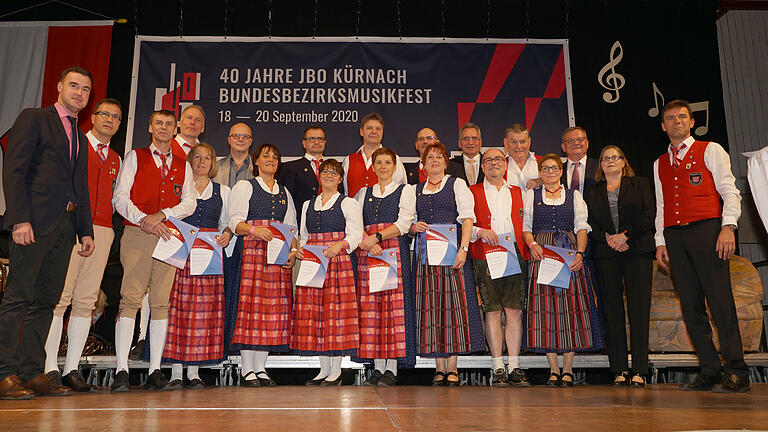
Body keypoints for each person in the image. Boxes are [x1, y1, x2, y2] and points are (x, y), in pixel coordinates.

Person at [0, 66, 96, 400]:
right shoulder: (34, 118)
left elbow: (79, 187)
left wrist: (84, 230)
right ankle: (4, 373)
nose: (79, 93)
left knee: (46, 302)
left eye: (85, 89)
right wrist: (19, 219)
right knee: (18, 298)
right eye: (74, 85)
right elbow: (14, 170)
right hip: (34, 223)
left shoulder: (81, 137)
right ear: (58, 86)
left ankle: (30, 372)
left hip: (65, 228)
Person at [654, 99, 749, 393]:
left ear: (692, 122)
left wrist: (728, 226)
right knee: (691, 305)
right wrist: (660, 241)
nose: (677, 122)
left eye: (682, 117)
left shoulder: (711, 150)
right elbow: (661, 205)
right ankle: (709, 369)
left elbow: (730, 191)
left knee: (720, 302)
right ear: (663, 126)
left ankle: (737, 369)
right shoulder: (659, 162)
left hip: (708, 231)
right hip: (674, 235)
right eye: (670, 118)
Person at [111, 109, 196, 392]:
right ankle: (121, 369)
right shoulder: (135, 156)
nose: (163, 127)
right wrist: (143, 219)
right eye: (158, 122)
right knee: (131, 298)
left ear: (175, 130)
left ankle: (155, 370)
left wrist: (162, 214)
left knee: (161, 302)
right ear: (149, 127)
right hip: (137, 233)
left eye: (169, 124)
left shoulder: (184, 164)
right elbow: (120, 198)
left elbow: (189, 204)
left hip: (168, 235)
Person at [43, 98, 123, 393]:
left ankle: (71, 367)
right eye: (105, 114)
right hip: (74, 225)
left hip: (103, 229)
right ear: (93, 117)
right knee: (59, 296)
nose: (110, 120)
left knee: (86, 300)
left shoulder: (116, 159)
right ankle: (50, 365)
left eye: (116, 117)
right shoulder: (76, 145)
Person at [522, 154, 602, 388]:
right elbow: (526, 227)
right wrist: (533, 244)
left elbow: (581, 227)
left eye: (554, 168)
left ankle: (567, 369)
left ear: (560, 171)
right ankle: (553, 370)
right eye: (545, 168)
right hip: (542, 252)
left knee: (570, 309)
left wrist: (580, 253)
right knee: (545, 309)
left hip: (568, 251)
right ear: (540, 171)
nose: (550, 172)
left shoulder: (574, 195)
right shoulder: (532, 195)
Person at [410, 141, 485, 386]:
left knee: (453, 307)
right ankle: (438, 367)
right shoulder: (415, 190)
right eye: (429, 157)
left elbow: (467, 219)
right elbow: (408, 224)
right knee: (431, 308)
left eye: (439, 157)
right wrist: (414, 227)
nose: (434, 161)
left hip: (453, 253)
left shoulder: (457, 184)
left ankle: (452, 366)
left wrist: (463, 249)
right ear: (423, 164)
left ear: (446, 162)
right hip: (426, 256)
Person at [226, 143, 297, 387]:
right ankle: (247, 369)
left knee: (270, 311)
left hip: (277, 256)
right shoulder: (246, 186)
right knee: (250, 309)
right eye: (266, 156)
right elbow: (235, 222)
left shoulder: (284, 192)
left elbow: (292, 228)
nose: (271, 160)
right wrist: (256, 230)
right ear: (256, 161)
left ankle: (261, 368)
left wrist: (294, 251)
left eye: (275, 157)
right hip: (252, 252)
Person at [162, 143, 233, 389]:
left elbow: (227, 223)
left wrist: (227, 234)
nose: (202, 162)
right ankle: (176, 372)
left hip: (209, 256)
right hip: (181, 254)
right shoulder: (181, 188)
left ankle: (194, 372)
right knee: (178, 310)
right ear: (189, 161)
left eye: (207, 157)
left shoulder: (222, 190)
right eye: (197, 157)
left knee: (203, 313)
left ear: (213, 163)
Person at [584, 145, 655, 387]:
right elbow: (588, 222)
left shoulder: (640, 184)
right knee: (611, 311)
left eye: (616, 157)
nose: (611, 161)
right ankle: (619, 369)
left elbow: (649, 214)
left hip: (637, 250)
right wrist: (609, 238)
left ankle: (639, 369)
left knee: (638, 308)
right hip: (606, 253)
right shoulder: (592, 191)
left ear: (624, 162)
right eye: (605, 158)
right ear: (600, 165)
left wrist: (625, 236)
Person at [293, 159, 363, 386]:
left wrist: (340, 245)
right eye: (325, 172)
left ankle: (336, 370)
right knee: (317, 315)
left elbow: (356, 235)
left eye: (334, 173)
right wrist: (301, 249)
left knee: (335, 315)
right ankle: (323, 370)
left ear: (341, 178)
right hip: (314, 262)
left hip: (336, 261)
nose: (329, 175)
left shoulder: (348, 202)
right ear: (319, 176)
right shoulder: (307, 204)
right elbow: (304, 235)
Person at [354, 147, 417, 386]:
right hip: (369, 253)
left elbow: (403, 223)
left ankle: (392, 368)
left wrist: (376, 238)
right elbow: (355, 223)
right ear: (373, 166)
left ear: (394, 166)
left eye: (387, 163)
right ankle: (377, 368)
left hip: (392, 251)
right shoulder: (363, 193)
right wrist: (367, 242)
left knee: (393, 310)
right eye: (378, 162)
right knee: (372, 311)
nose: (382, 166)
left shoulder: (405, 191)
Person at [469, 148, 530, 387]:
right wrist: (480, 231)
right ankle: (497, 367)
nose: (493, 164)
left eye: (497, 160)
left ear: (505, 165)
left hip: (514, 254)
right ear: (482, 167)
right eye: (488, 161)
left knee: (514, 310)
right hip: (485, 256)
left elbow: (528, 223)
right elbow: (463, 222)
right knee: (492, 311)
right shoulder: (471, 191)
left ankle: (514, 366)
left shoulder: (519, 192)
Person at [343, 112, 406, 198]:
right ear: (361, 132)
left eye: (378, 128)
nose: (374, 131)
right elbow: (346, 193)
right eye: (369, 128)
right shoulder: (348, 160)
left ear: (382, 132)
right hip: (353, 210)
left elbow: (401, 192)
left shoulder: (394, 159)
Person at [278, 125, 327, 225]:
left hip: (331, 227)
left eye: (320, 139)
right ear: (304, 143)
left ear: (325, 142)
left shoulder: (335, 168)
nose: (317, 142)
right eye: (312, 139)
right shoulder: (289, 168)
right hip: (300, 226)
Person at [213, 122, 255, 188]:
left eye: (245, 136)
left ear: (250, 142)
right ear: (229, 140)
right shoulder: (215, 167)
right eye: (236, 136)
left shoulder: (259, 169)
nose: (240, 139)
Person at [560, 126, 598, 195]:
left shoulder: (600, 167)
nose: (576, 143)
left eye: (580, 139)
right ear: (563, 147)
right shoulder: (557, 171)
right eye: (570, 141)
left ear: (587, 143)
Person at [503, 123, 541, 191]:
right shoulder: (499, 166)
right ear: (505, 143)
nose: (519, 146)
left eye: (523, 142)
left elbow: (556, 183)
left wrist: (541, 181)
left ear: (529, 142)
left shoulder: (542, 162)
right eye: (514, 142)